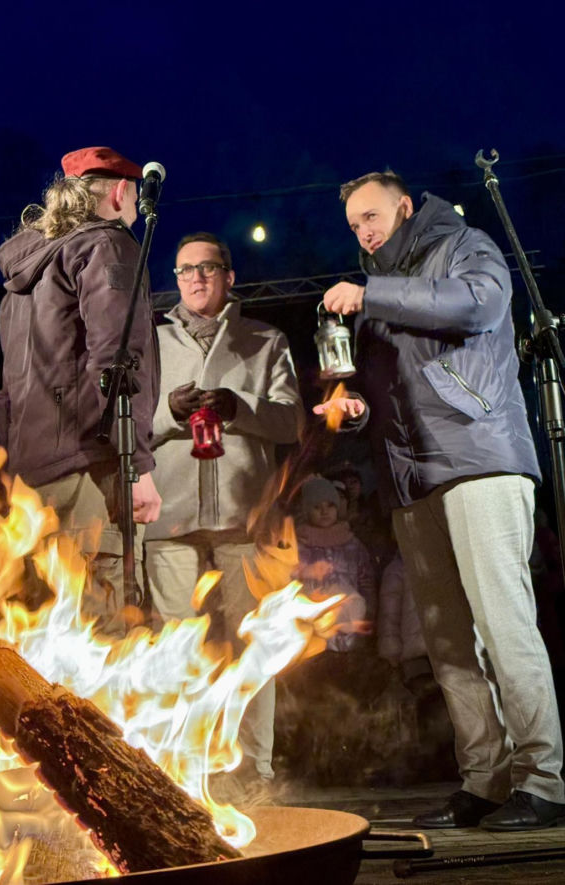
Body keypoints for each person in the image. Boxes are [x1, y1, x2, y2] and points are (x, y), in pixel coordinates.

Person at [314, 170, 565, 830]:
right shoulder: (374, 295)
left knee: (504, 625)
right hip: (412, 480)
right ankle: (485, 779)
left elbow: (480, 304)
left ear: (403, 206)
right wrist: (356, 409)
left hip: (478, 460)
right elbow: (384, 390)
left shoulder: (461, 245)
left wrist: (375, 292)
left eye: (371, 217)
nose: (363, 232)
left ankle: (545, 780)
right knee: (448, 643)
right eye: (353, 225)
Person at [143, 232, 304, 789]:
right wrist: (168, 412)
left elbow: (292, 423)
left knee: (251, 644)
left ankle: (255, 770)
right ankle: (181, 771)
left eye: (208, 267)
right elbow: (127, 424)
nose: (196, 278)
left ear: (229, 276)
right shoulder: (150, 342)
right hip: (169, 518)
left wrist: (239, 407)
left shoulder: (264, 339)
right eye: (186, 269)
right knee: (175, 647)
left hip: (245, 518)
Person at [0, 146, 161, 634]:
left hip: (34, 472)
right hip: (90, 463)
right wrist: (140, 467)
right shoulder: (107, 244)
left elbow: (7, 393)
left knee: (54, 624)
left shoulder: (24, 279)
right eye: (130, 201)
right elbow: (117, 357)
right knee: (100, 625)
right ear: (120, 191)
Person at [295, 476, 372, 650]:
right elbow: (291, 579)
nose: (324, 512)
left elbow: (366, 579)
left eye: (330, 505)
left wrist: (369, 611)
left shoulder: (352, 544)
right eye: (317, 507)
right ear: (307, 511)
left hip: (353, 623)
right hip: (316, 627)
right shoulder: (300, 546)